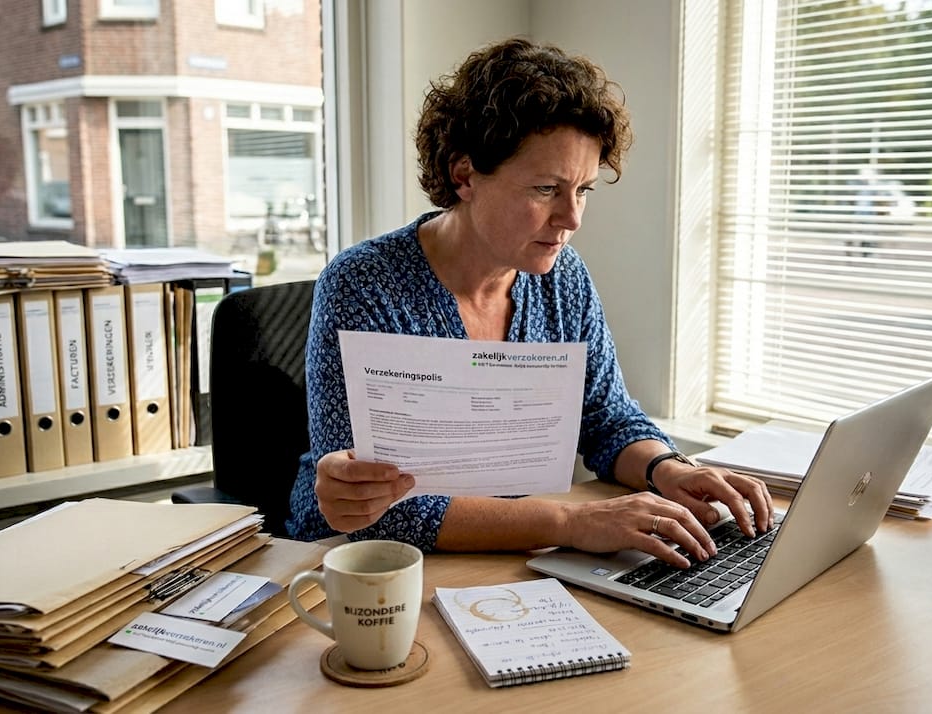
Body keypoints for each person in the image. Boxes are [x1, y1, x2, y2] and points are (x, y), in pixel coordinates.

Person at [286, 37, 774, 568]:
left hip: (506, 557)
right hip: (359, 568)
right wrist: (572, 523)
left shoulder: (562, 277)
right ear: (464, 175)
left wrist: (669, 469)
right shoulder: (364, 284)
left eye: (583, 190)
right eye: (546, 189)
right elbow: (381, 509)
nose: (572, 218)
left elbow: (608, 420)